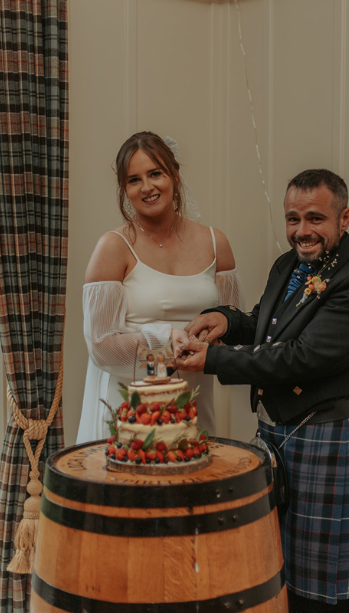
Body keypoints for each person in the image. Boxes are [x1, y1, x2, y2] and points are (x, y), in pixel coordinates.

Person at [175, 169, 349, 612]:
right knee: (285, 577)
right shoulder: (288, 264)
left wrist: (212, 360)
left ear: (343, 218)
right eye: (293, 219)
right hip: (284, 434)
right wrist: (230, 322)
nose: (302, 231)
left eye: (315, 218)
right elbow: (269, 326)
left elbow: (300, 357)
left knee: (325, 594)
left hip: (331, 440)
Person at [76, 132, 244, 444]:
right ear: (125, 189)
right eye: (134, 179)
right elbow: (100, 346)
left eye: (156, 173)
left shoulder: (215, 242)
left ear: (175, 175)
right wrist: (163, 340)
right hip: (129, 404)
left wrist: (211, 342)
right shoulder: (113, 247)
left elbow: (234, 325)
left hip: (194, 395)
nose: (147, 187)